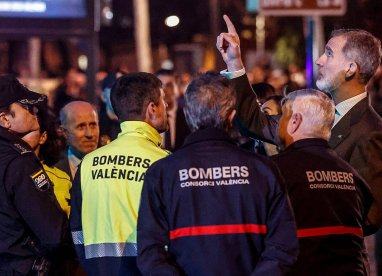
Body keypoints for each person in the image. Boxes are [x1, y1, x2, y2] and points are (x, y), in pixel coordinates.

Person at [217, 14, 382, 223]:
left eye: (329, 54)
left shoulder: (371, 131)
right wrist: (234, 62)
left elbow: (370, 216)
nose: (319, 60)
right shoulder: (310, 108)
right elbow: (255, 123)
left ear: (350, 68)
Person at [136, 73, 298, 275]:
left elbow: (150, 252)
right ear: (231, 116)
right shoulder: (263, 170)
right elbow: (283, 246)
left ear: (187, 114)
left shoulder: (162, 174)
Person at [70, 72, 170, 276]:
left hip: (99, 269)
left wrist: (91, 265)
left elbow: (76, 229)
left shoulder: (88, 162)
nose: (167, 107)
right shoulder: (164, 162)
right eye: (163, 101)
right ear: (152, 109)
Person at [0, 75, 68, 275]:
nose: (35, 112)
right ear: (5, 120)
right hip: (20, 268)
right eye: (27, 108)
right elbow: (54, 234)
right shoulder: (19, 162)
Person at [273, 89, 373, 275]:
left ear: (294, 122)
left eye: (283, 116)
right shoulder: (351, 173)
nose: (279, 122)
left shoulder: (274, 171)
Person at [55, 100, 99, 180]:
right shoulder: (53, 170)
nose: (89, 134)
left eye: (93, 125)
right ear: (65, 132)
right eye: (81, 127)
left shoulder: (111, 164)